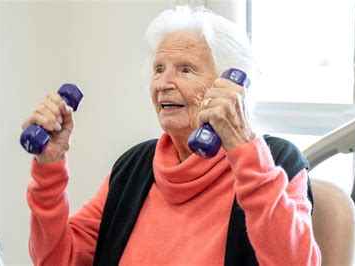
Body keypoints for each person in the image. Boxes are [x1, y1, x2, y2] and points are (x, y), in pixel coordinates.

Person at [23, 6, 321, 265]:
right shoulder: (134, 168)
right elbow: (57, 260)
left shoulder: (276, 162)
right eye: (158, 69)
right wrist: (49, 167)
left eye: (186, 70)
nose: (163, 83)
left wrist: (244, 147)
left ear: (229, 87)